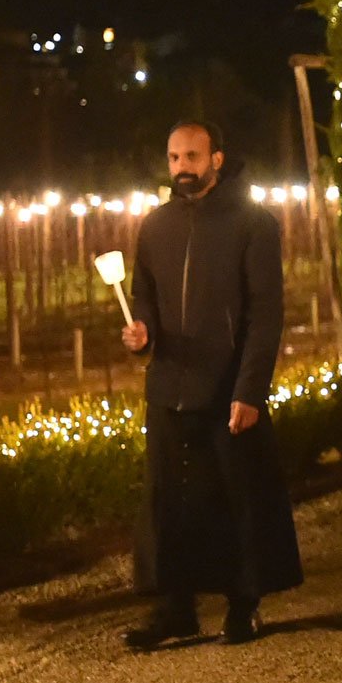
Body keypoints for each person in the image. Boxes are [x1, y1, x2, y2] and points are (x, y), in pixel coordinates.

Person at [121, 121, 300, 649]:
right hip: (170, 386)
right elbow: (144, 294)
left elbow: (265, 316)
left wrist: (250, 390)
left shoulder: (253, 224)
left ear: (217, 159)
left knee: (236, 498)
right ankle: (175, 608)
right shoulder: (154, 227)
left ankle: (244, 605)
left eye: (192, 156)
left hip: (226, 388)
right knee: (169, 500)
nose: (182, 167)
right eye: (174, 157)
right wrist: (142, 331)